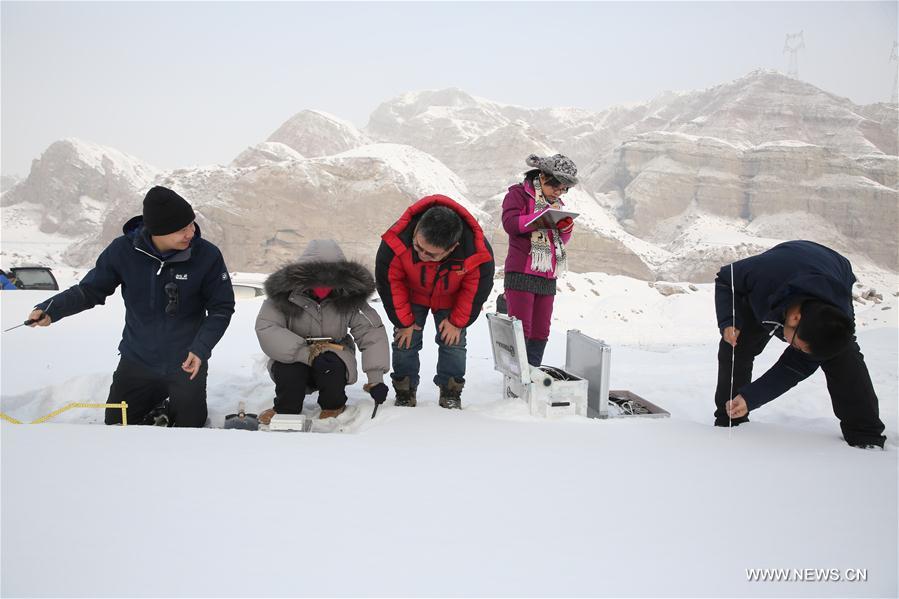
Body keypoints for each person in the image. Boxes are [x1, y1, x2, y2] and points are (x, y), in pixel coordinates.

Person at [27, 186, 235, 427]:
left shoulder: (207, 255)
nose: (191, 233)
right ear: (158, 231)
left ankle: (171, 406)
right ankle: (156, 405)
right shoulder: (123, 251)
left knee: (190, 426)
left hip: (186, 361)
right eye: (182, 229)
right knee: (117, 424)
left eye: (191, 224)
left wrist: (200, 349)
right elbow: (89, 290)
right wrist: (51, 309)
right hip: (138, 359)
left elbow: (221, 307)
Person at [714, 240, 886, 448]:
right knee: (735, 343)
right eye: (797, 346)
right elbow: (726, 278)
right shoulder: (765, 275)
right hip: (774, 284)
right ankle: (730, 417)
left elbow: (796, 366)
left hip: (832, 269)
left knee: (842, 355)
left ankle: (865, 435)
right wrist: (729, 320)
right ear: (795, 319)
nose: (795, 349)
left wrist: (751, 398)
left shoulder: (837, 314)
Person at [375, 195, 495, 409]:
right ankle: (405, 389)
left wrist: (457, 322)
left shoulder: (474, 251)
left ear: (452, 248)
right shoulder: (397, 240)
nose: (422, 256)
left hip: (451, 297)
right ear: (416, 231)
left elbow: (475, 290)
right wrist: (404, 322)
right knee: (405, 340)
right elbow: (390, 282)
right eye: (418, 247)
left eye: (431, 255)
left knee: (453, 343)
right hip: (411, 294)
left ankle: (451, 391)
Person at [254, 239, 390, 423]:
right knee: (289, 372)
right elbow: (267, 327)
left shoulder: (349, 298)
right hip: (293, 354)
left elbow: (370, 332)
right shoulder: (283, 296)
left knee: (332, 367)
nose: (323, 286)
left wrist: (376, 379)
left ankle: (333, 406)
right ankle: (285, 408)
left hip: (334, 353)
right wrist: (304, 353)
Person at [501, 153, 578, 366]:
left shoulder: (557, 204)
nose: (559, 193)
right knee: (521, 328)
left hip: (547, 274)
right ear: (543, 177)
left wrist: (565, 229)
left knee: (541, 330)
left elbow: (558, 242)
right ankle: (517, 374)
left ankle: (532, 371)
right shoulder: (518, 194)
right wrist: (541, 218)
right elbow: (510, 224)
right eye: (556, 187)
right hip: (522, 271)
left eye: (564, 189)